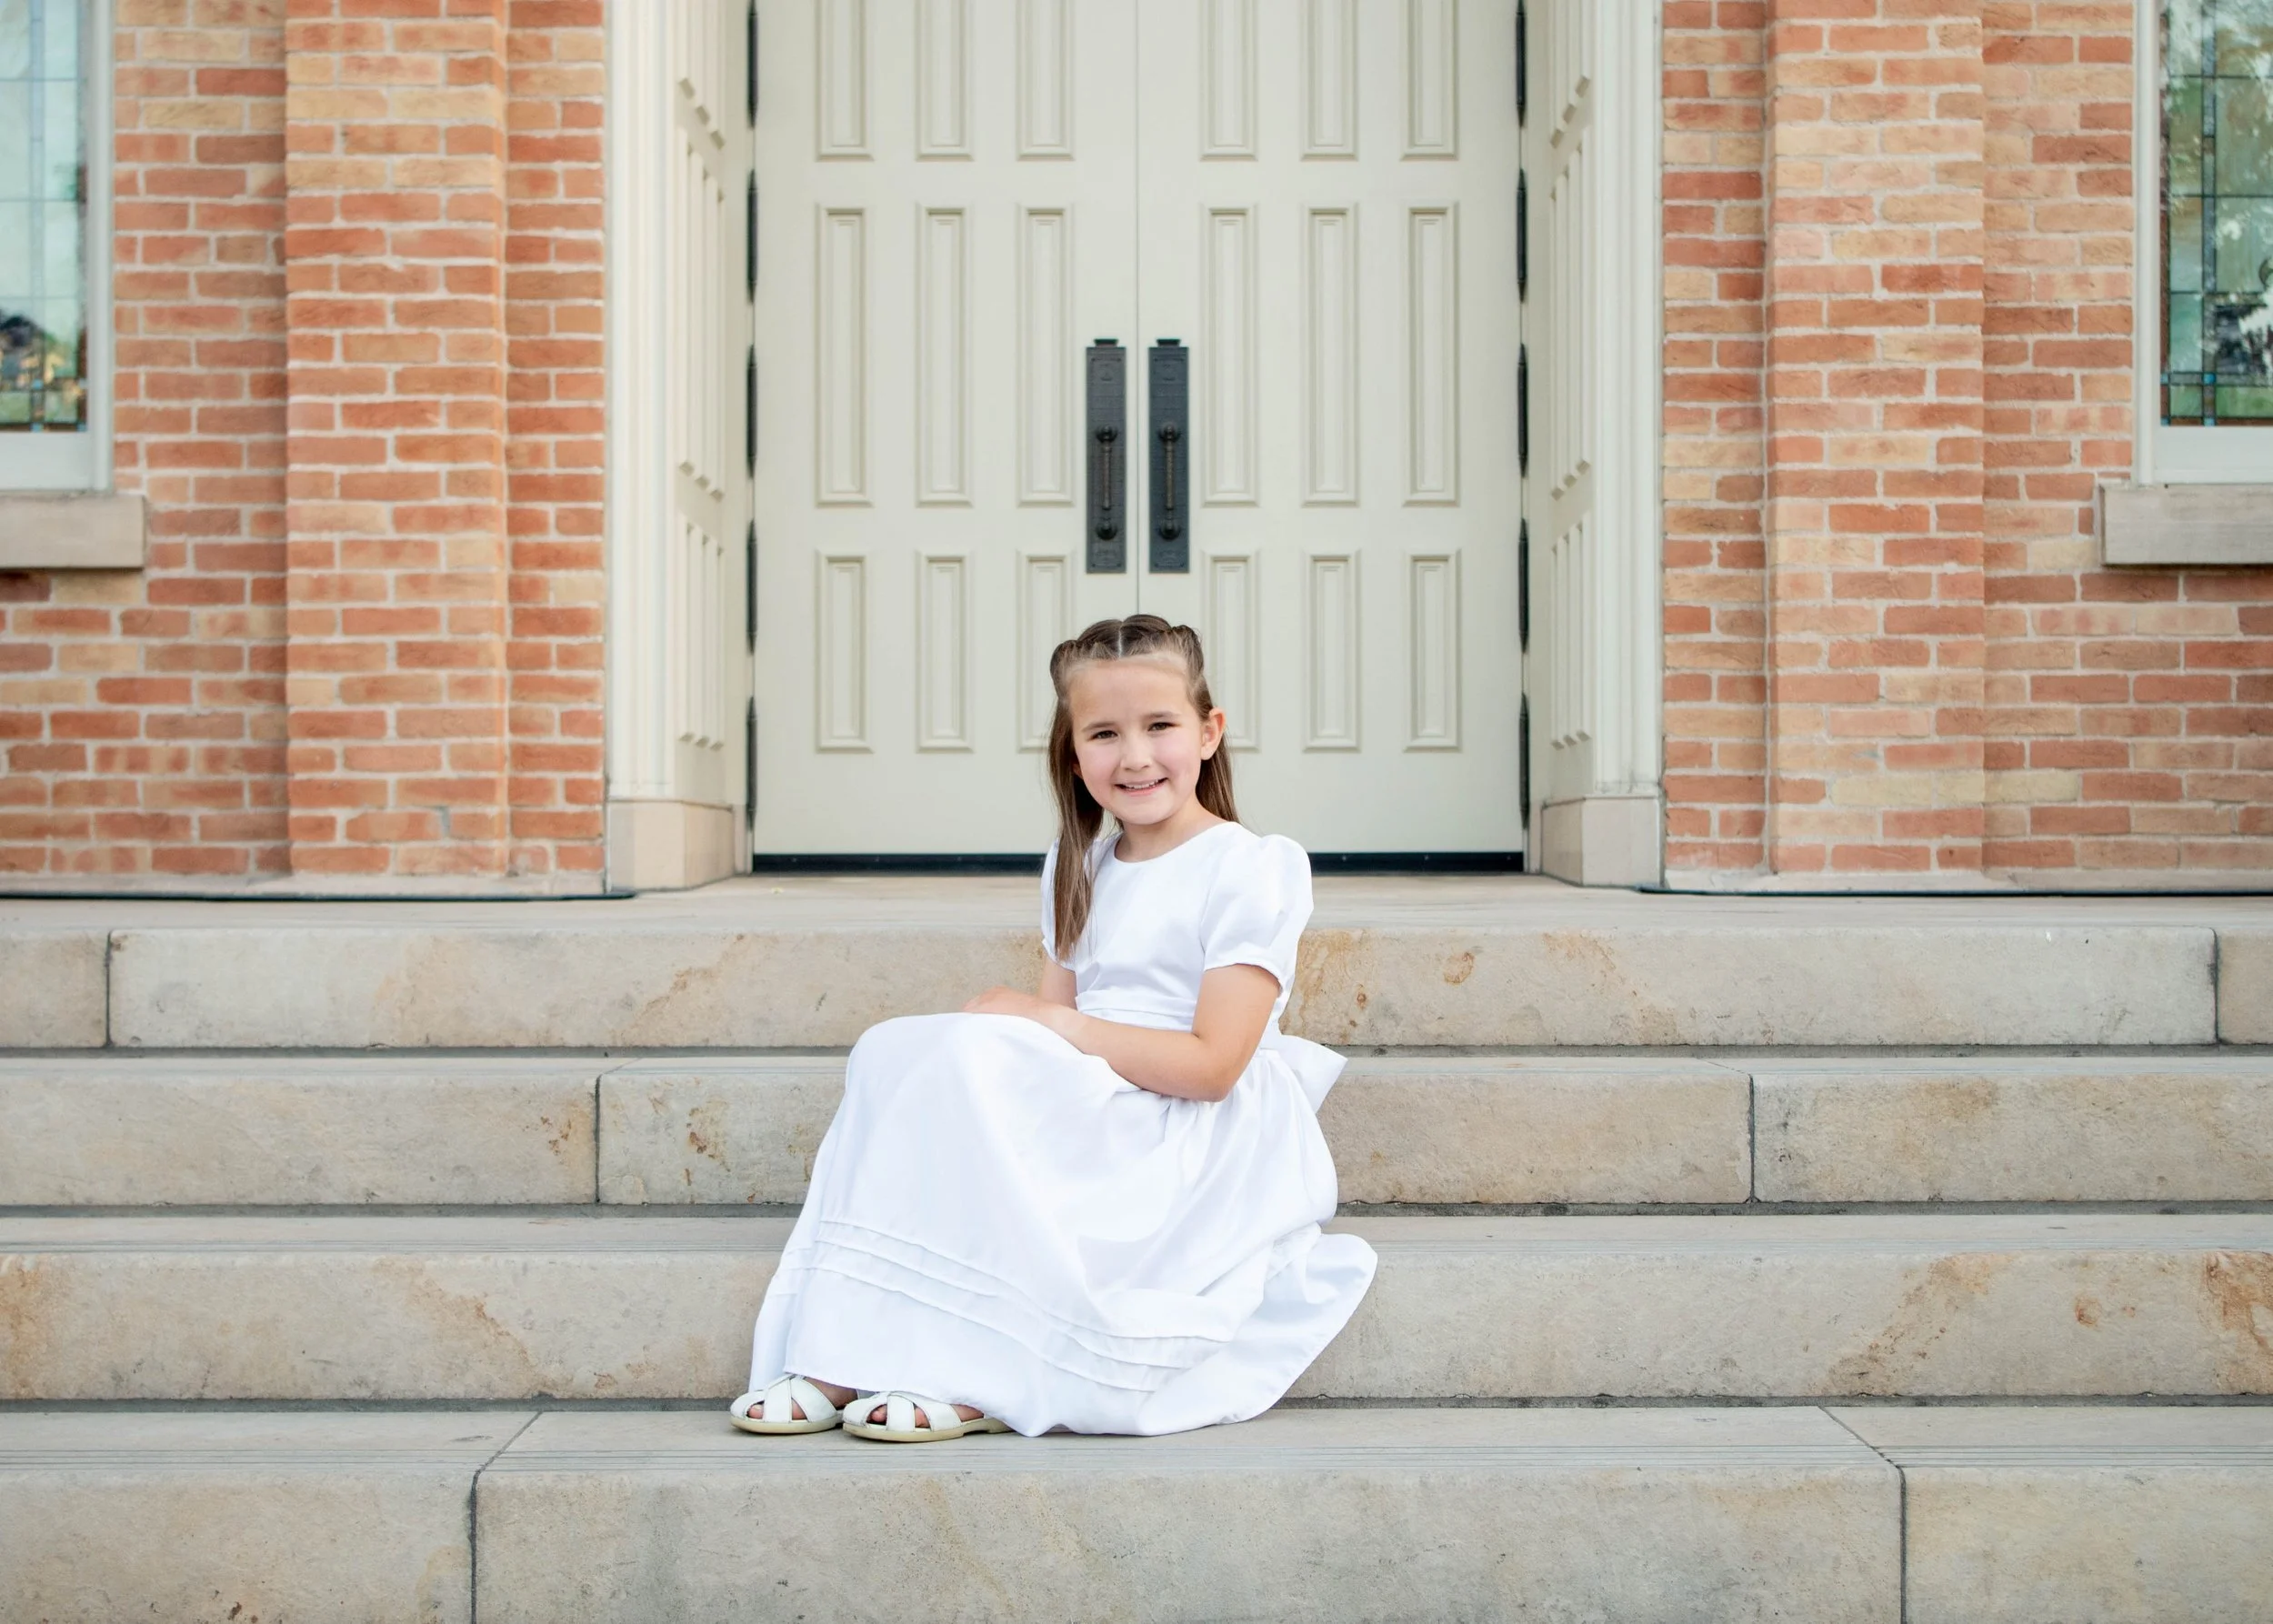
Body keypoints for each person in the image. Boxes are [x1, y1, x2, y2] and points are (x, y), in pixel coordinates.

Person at [730, 614, 1377, 1440]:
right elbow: (1041, 1041)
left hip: (1190, 1120)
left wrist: (1045, 1022)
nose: (1135, 756)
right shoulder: (1081, 865)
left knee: (980, 1056)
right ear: (1074, 755)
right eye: (1105, 734)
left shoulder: (1250, 865)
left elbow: (1214, 1065)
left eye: (1160, 727)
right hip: (1098, 1085)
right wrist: (1040, 1028)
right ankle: (842, 1347)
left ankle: (979, 1371)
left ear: (1209, 733)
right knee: (892, 1049)